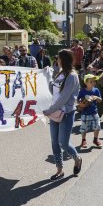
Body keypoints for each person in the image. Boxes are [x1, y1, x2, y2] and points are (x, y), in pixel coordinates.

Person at [43, 49, 83, 181]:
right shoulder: (60, 73)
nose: (57, 60)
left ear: (64, 60)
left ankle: (77, 158)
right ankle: (59, 170)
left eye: (58, 58)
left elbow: (64, 98)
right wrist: (48, 75)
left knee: (63, 143)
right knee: (54, 142)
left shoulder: (72, 76)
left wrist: (49, 110)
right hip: (55, 112)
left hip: (65, 113)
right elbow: (52, 90)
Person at [78, 74, 102, 149]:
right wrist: (81, 104)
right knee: (84, 127)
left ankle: (95, 139)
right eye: (91, 81)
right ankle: (83, 140)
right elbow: (78, 100)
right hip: (85, 112)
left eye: (94, 81)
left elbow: (100, 100)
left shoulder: (96, 90)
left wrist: (97, 97)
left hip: (94, 112)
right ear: (86, 83)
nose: (93, 83)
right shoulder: (82, 91)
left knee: (97, 126)